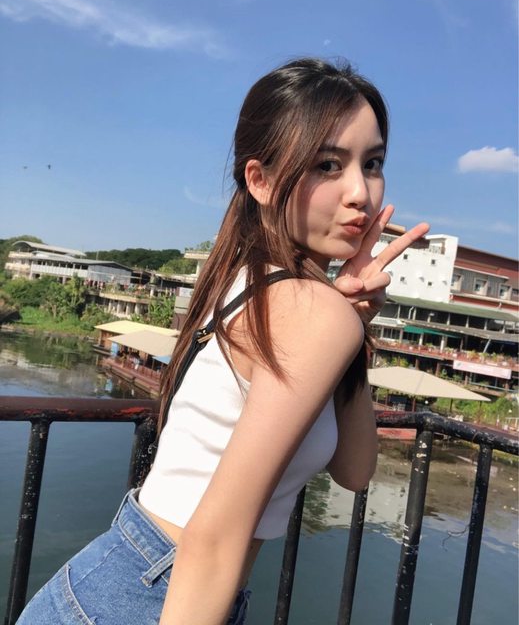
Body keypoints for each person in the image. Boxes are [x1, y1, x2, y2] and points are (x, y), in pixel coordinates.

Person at [17, 57, 429, 625]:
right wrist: (338, 317)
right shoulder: (307, 309)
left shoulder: (251, 282)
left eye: (373, 162)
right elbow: (215, 535)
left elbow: (354, 471)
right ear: (260, 180)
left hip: (127, 579)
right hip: (163, 595)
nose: (360, 191)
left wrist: (355, 321)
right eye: (328, 164)